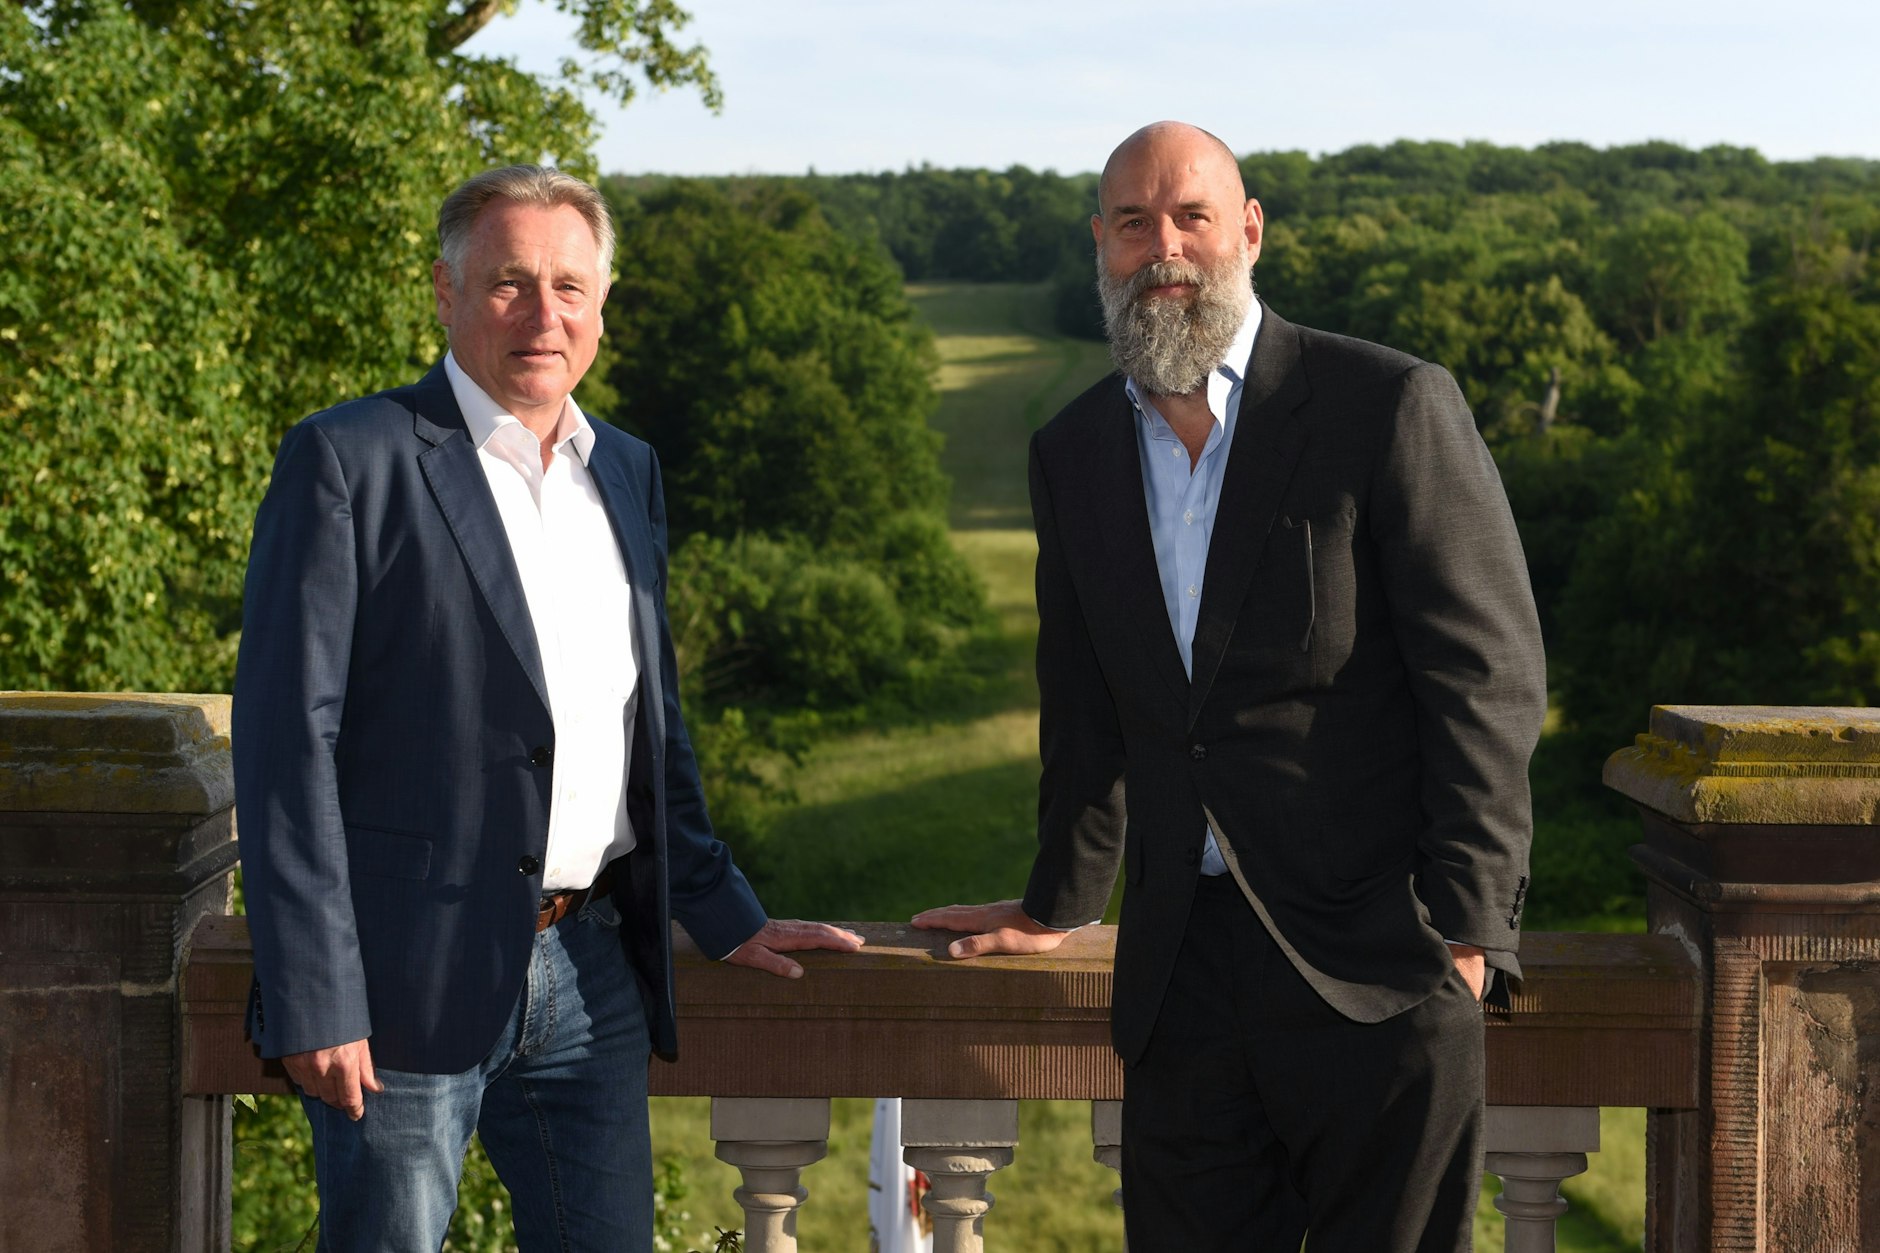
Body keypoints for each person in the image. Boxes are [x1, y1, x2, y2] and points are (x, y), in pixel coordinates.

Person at [913, 122, 1546, 1252]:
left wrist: (1464, 926)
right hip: (1184, 976)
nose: (1163, 247)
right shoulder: (1072, 451)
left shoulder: (1384, 403)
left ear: (1246, 231)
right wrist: (1057, 899)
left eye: (1190, 216)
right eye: (1130, 223)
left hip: (1378, 963)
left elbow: (1485, 675)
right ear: (1098, 245)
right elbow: (1086, 700)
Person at [233, 164, 863, 1252]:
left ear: (603, 302)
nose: (543, 315)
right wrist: (315, 990)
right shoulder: (351, 458)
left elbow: (643, 722)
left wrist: (721, 905)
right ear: (444, 291)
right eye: (509, 283)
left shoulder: (623, 467)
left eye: (570, 286)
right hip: (399, 985)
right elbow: (289, 743)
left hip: (590, 972)